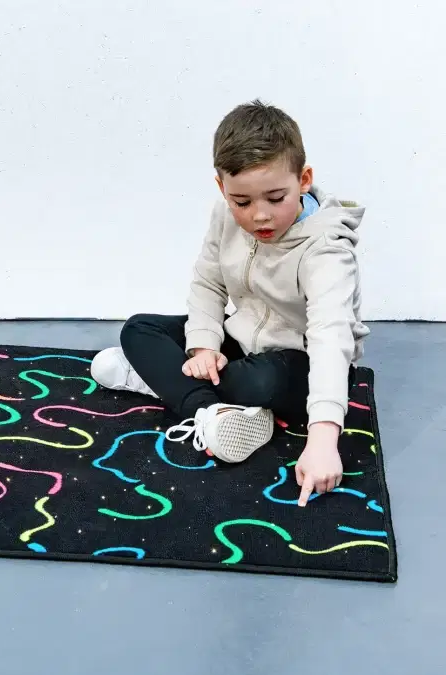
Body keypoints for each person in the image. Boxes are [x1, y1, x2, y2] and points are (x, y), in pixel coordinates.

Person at [91, 99, 369, 507]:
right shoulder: (224, 216)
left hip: (302, 364)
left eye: (276, 198)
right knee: (139, 328)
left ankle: (168, 386)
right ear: (223, 189)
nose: (260, 216)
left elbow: (331, 335)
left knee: (258, 382)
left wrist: (324, 440)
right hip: (243, 342)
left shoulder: (326, 249)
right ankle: (213, 412)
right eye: (242, 202)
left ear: (304, 180)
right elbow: (208, 282)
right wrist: (203, 347)